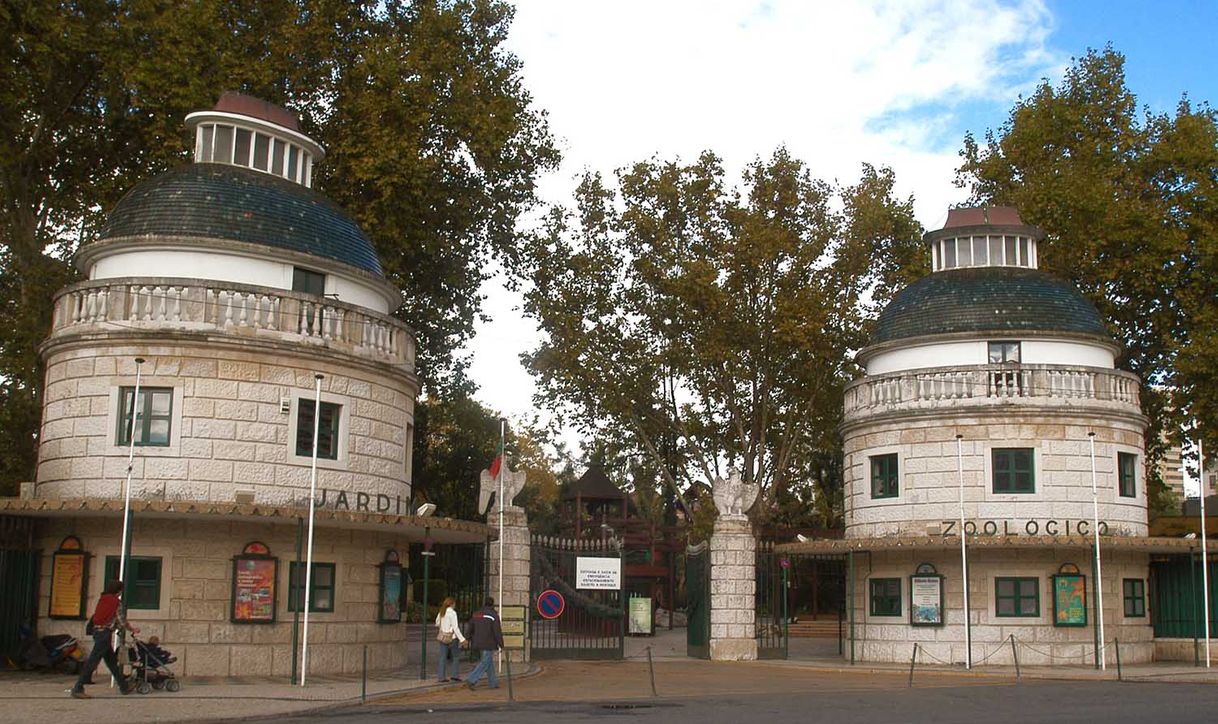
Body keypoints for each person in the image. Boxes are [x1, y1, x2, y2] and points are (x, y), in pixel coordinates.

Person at [70, 580, 136, 699]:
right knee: (93, 661)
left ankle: (123, 686)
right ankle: (78, 687)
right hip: (104, 634)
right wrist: (132, 629)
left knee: (111, 662)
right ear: (119, 591)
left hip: (97, 632)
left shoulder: (103, 599)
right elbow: (121, 620)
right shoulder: (116, 602)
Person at [463, 596, 504, 691]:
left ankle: (493, 683)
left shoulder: (476, 614)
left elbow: (470, 628)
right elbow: (497, 631)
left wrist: (467, 638)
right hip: (489, 642)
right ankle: (471, 679)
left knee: (488, 662)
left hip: (477, 641)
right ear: (492, 604)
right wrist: (501, 644)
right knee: (485, 662)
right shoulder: (493, 616)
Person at [434, 596, 466, 682]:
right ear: (452, 604)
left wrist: (443, 627)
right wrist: (462, 639)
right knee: (455, 656)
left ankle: (441, 677)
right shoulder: (453, 613)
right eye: (454, 603)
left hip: (443, 637)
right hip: (452, 638)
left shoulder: (441, 612)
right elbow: (455, 628)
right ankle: (454, 675)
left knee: (442, 657)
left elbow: (437, 623)